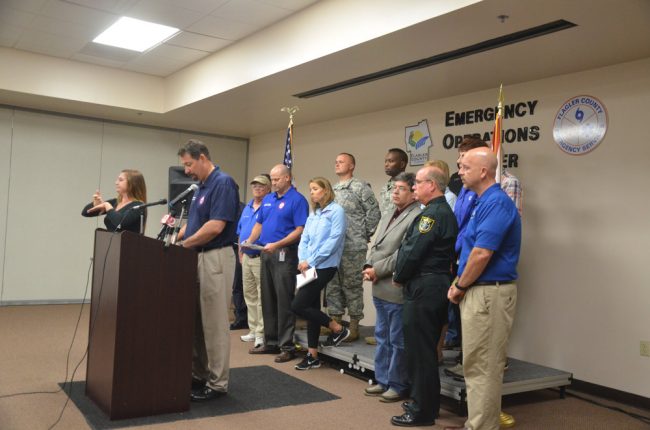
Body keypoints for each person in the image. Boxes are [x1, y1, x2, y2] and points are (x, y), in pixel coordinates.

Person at [445, 148, 521, 430]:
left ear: (483, 172)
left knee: (483, 367)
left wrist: (461, 285)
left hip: (488, 292)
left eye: (464, 167)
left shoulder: (496, 203)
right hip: (479, 290)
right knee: (476, 365)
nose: (460, 172)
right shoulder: (482, 200)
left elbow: (481, 253)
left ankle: (481, 426)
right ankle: (478, 423)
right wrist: (460, 282)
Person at [390, 165, 457, 427]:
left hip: (425, 286)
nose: (414, 187)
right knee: (425, 350)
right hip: (434, 284)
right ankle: (428, 404)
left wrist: (399, 276)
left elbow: (413, 251)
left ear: (432, 185)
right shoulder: (440, 211)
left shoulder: (432, 215)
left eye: (417, 183)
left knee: (420, 352)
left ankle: (421, 411)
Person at [176, 139, 240, 402]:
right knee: (197, 323)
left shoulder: (223, 183)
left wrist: (184, 244)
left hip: (215, 258)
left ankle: (217, 383)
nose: (187, 170)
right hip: (197, 257)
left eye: (189, 164)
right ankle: (200, 374)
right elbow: (194, 225)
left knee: (214, 325)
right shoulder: (200, 187)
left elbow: (215, 227)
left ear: (203, 158)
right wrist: (177, 238)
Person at [361, 172, 420, 403]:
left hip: (395, 285)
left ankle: (397, 384)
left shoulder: (416, 216)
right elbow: (375, 243)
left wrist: (377, 270)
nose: (395, 192)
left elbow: (403, 254)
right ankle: (383, 379)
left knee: (397, 340)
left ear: (414, 192)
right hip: (378, 285)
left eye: (401, 188)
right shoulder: (388, 214)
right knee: (382, 337)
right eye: (394, 188)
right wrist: (368, 264)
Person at [245, 164, 309, 363]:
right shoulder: (269, 199)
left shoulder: (297, 200)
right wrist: (249, 241)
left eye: (277, 179)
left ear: (288, 178)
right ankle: (271, 342)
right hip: (266, 253)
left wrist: (277, 244)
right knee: (268, 298)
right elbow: (259, 224)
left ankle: (287, 346)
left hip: (284, 254)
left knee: (284, 301)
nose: (273, 183)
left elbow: (300, 229)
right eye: (272, 179)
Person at [291, 177, 349, 370]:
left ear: (326, 190)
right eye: (310, 189)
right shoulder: (313, 213)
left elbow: (334, 240)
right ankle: (312, 355)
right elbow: (304, 239)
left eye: (315, 189)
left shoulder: (337, 211)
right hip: (308, 266)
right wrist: (302, 260)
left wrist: (312, 261)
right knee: (311, 307)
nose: (312, 192)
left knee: (298, 305)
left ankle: (337, 328)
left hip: (325, 266)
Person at [328, 153, 380, 342]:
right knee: (332, 284)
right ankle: (335, 323)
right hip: (334, 247)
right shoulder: (332, 189)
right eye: (336, 161)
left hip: (353, 245)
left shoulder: (360, 187)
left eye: (341, 161)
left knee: (352, 285)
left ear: (352, 166)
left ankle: (354, 326)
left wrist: (364, 234)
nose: (337, 164)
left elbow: (374, 213)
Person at [237, 174, 271, 348]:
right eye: (255, 186)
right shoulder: (247, 206)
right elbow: (240, 232)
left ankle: (260, 332)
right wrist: (240, 252)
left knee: (261, 296)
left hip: (260, 257)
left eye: (261, 186)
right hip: (246, 257)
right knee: (249, 295)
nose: (257, 189)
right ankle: (252, 329)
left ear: (268, 188)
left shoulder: (268, 206)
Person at [81, 169, 147, 233]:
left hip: (128, 243)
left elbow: (120, 222)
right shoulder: (115, 202)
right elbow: (85, 213)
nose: (116, 183)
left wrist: (107, 206)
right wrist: (95, 205)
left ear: (132, 184)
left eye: (120, 180)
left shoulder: (139, 206)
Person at [380, 148, 408, 217]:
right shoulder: (386, 186)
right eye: (385, 161)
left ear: (402, 164)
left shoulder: (409, 185)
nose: (386, 164)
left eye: (390, 161)